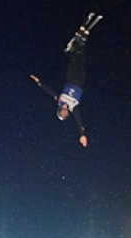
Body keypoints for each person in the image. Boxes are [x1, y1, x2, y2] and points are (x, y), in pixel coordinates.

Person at [30, 12, 102, 148]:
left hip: (71, 77)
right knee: (81, 59)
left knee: (75, 60)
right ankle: (81, 41)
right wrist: (82, 134)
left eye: (61, 112)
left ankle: (73, 47)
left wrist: (39, 82)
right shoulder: (73, 107)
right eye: (65, 113)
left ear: (59, 110)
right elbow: (79, 120)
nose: (64, 111)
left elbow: (49, 90)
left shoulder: (59, 99)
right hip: (80, 81)